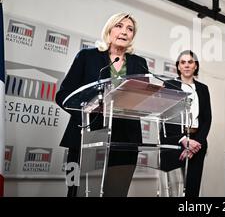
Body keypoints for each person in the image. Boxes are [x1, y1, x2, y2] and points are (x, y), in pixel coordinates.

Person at [55, 13, 148, 197]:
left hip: (125, 140)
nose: (124, 32)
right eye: (119, 26)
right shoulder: (87, 56)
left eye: (130, 29)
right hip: (88, 135)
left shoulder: (140, 63)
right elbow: (63, 95)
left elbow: (143, 101)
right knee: (79, 192)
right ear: (109, 29)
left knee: (116, 193)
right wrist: (90, 108)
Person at [159, 50, 212, 197]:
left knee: (192, 190)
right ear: (178, 66)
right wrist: (184, 140)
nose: (187, 65)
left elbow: (207, 119)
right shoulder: (169, 85)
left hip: (197, 144)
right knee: (173, 190)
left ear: (195, 66)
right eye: (183, 62)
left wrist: (195, 144)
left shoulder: (203, 88)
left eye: (190, 62)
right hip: (175, 141)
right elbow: (165, 116)